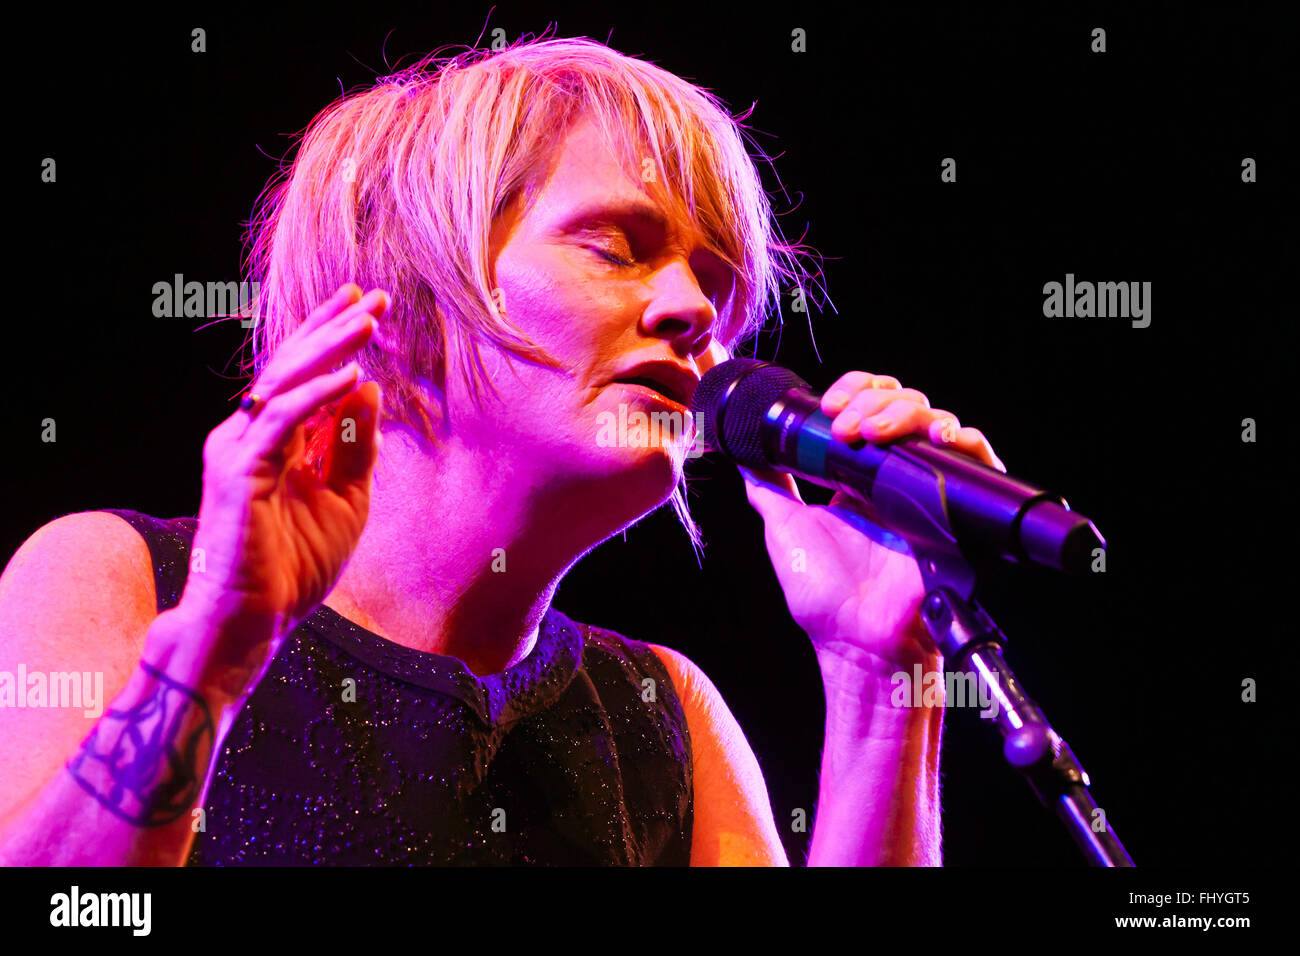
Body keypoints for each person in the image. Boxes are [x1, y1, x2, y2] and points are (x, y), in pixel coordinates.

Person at [0, 36, 1005, 866]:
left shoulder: (661, 716)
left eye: (712, 278)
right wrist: (214, 649)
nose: (693, 309)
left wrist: (877, 672)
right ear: (402, 301)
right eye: (617, 248)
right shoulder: (118, 582)